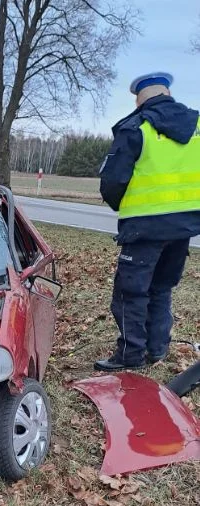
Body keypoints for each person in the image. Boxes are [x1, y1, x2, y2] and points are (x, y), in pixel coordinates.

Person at [95, 72, 200, 371]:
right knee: (161, 287)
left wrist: (124, 204)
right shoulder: (197, 126)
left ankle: (130, 356)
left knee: (130, 292)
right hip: (184, 227)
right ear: (166, 92)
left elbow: (112, 181)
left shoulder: (136, 127)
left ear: (139, 98)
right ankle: (156, 350)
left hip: (144, 227)